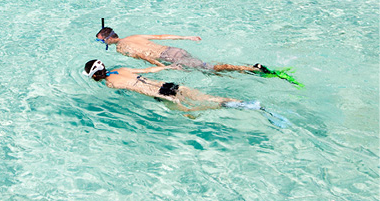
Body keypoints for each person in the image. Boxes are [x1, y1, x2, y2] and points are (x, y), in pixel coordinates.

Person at [83, 60, 289, 126]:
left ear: (94, 76)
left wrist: (171, 102)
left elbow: (140, 89)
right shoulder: (122, 70)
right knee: (208, 98)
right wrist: (170, 66)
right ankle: (248, 103)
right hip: (170, 84)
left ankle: (244, 106)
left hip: (161, 94)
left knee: (194, 111)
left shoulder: (111, 84)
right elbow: (148, 71)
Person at [95, 25, 268, 75]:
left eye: (100, 40)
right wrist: (187, 37)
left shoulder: (122, 48)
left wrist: (162, 68)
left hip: (168, 58)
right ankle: (244, 72)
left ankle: (251, 68)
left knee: (208, 67)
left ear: (109, 39)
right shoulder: (134, 36)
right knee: (206, 70)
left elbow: (143, 56)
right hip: (175, 49)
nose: (100, 42)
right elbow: (161, 36)